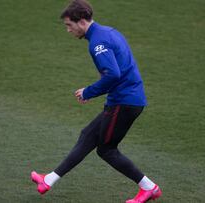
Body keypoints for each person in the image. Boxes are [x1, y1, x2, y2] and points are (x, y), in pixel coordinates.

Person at [30, 0, 162, 202]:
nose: (68, 30)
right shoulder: (108, 31)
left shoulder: (97, 43)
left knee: (106, 149)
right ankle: (48, 180)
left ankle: (149, 187)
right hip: (127, 99)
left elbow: (113, 75)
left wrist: (88, 92)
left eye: (69, 25)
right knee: (88, 136)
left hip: (124, 102)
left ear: (81, 22)